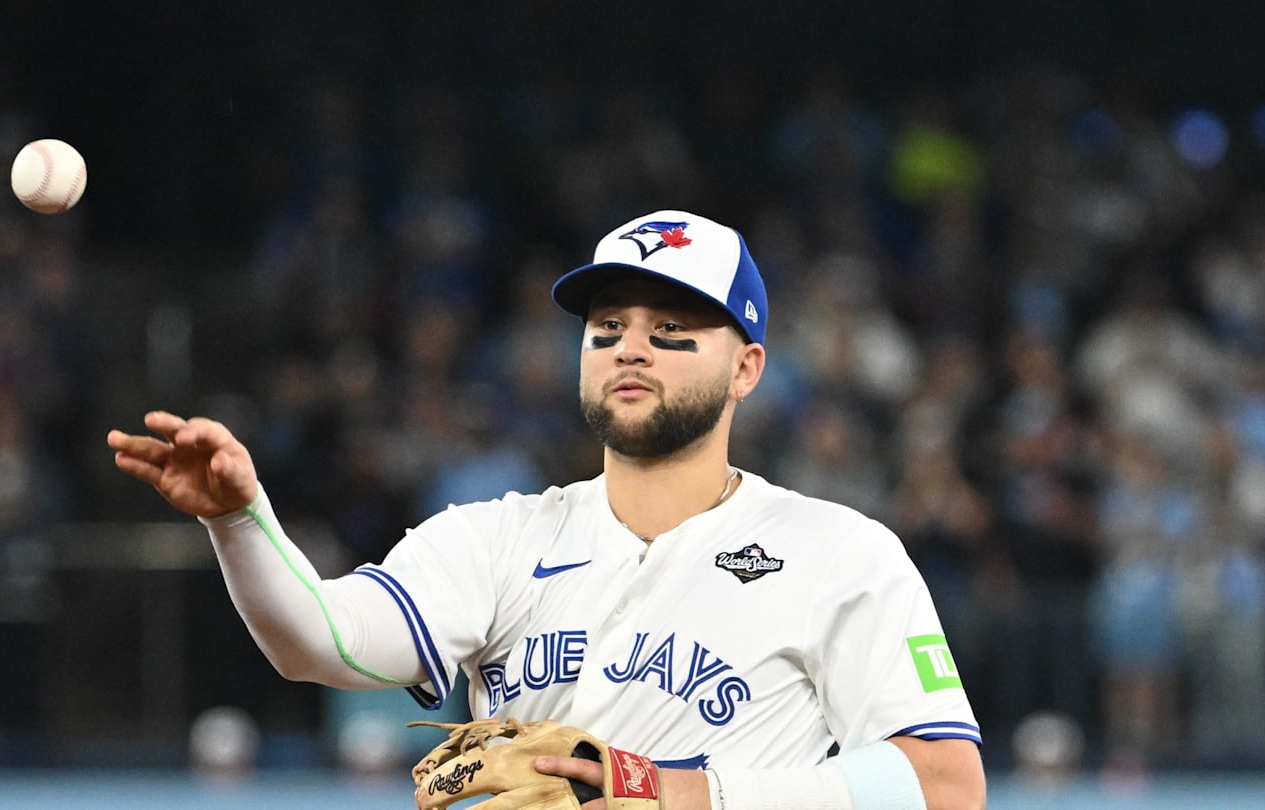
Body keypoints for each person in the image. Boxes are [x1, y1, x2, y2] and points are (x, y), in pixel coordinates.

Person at [109, 210, 986, 809]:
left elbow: (944, 784)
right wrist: (239, 519)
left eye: (673, 327)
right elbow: (321, 641)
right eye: (607, 327)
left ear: (747, 368)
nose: (631, 346)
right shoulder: (494, 537)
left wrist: (669, 790)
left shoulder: (837, 551)